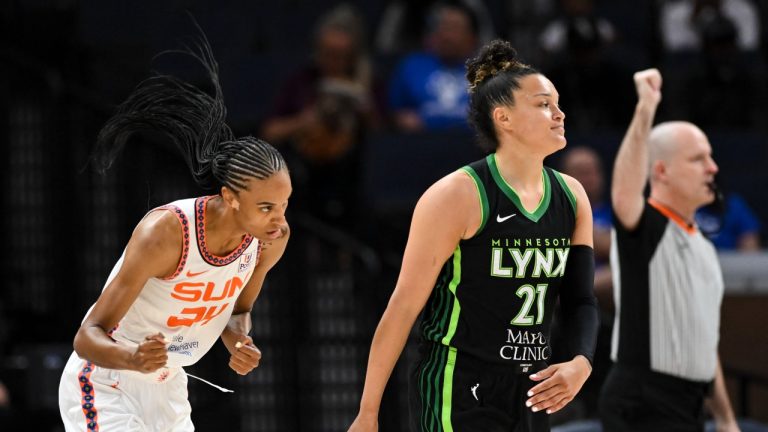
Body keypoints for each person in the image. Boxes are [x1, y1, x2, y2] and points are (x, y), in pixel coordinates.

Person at [349, 39, 599, 432]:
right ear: (504, 118)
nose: (559, 114)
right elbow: (403, 306)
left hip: (531, 388)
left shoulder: (572, 195)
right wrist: (368, 412)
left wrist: (581, 361)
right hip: (458, 385)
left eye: (558, 103)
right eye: (543, 104)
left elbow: (581, 300)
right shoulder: (458, 194)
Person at [58, 36, 291, 431]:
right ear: (230, 198)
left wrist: (237, 340)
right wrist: (133, 359)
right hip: (106, 380)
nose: (279, 220)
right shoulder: (167, 233)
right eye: (266, 207)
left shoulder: (271, 239)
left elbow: (239, 309)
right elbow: (87, 337)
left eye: (284, 204)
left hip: (167, 384)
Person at [599, 68, 739, 431]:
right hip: (643, 401)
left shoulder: (704, 246)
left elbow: (706, 341)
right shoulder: (647, 227)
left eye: (710, 157)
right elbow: (623, 195)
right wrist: (646, 108)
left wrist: (724, 417)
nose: (713, 167)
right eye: (698, 159)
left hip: (690, 404)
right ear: (660, 170)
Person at [261, 4, 377, 225]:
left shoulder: (367, 81)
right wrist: (302, 122)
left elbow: (384, 133)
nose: (334, 62)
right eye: (328, 54)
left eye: (341, 56)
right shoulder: (301, 81)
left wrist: (366, 112)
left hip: (352, 173)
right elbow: (269, 131)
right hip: (307, 167)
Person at [387, 2, 480, 132]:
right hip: (419, 146)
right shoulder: (411, 66)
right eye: (443, 27)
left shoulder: (489, 73)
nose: (447, 36)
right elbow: (395, 115)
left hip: (473, 148)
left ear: (472, 38)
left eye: (455, 28)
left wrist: (430, 122)